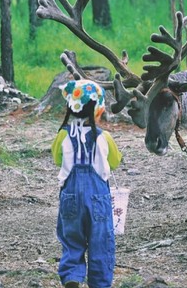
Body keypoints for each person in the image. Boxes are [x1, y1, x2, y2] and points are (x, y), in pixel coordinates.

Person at [51, 79, 122, 288]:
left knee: (72, 239)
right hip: (98, 196)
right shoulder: (104, 137)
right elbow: (115, 161)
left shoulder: (63, 134)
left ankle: (72, 275)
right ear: (98, 109)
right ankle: (99, 282)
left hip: (70, 195)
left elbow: (57, 158)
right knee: (101, 241)